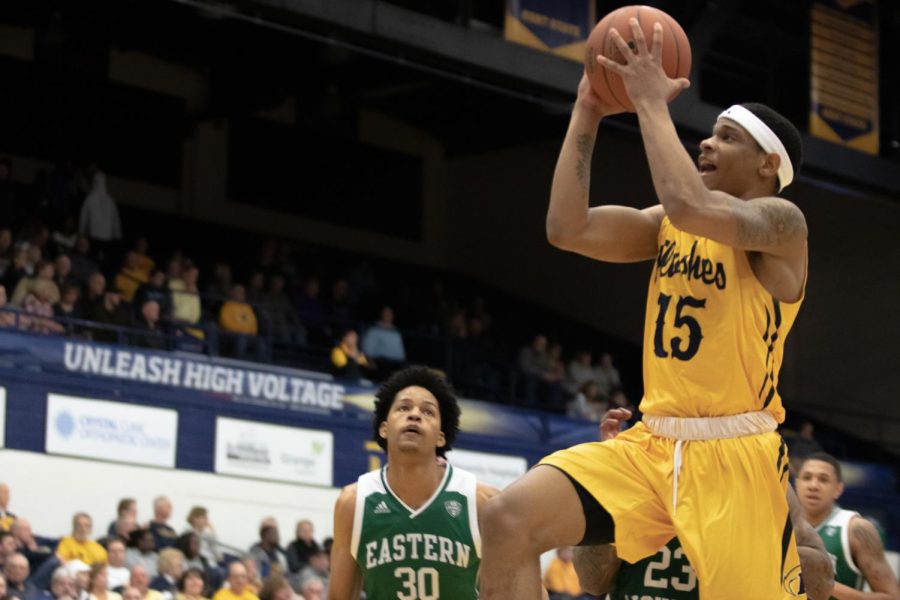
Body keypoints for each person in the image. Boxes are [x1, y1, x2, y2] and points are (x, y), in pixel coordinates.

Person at [481, 20, 810, 599]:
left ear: (767, 167)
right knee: (509, 519)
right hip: (652, 444)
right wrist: (588, 109)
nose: (707, 142)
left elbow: (690, 204)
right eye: (710, 132)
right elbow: (567, 227)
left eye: (727, 137)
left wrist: (651, 102)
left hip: (735, 459)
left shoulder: (783, 225)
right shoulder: (666, 224)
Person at [575, 409, 835, 600]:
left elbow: (821, 585)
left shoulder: (762, 475)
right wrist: (608, 491)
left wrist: (755, 544)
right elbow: (592, 581)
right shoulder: (636, 464)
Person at [329, 366, 498, 599]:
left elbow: (527, 590)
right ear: (384, 428)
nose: (415, 414)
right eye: (403, 408)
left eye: (428, 412)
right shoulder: (353, 503)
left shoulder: (481, 502)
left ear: (441, 436)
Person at [795, 453, 900, 599]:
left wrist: (828, 586)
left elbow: (892, 597)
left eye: (823, 479)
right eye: (807, 478)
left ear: (838, 489)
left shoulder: (855, 528)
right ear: (797, 483)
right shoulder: (778, 526)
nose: (813, 486)